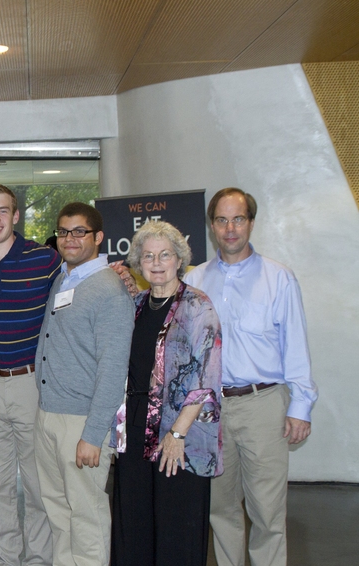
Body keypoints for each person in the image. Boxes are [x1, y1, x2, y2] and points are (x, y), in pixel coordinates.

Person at [184, 188, 317, 566]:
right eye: (222, 220)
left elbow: (296, 346)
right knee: (220, 510)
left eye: (238, 219)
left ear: (251, 223)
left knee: (267, 513)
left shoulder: (279, 279)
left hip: (263, 407)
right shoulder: (195, 281)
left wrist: (301, 407)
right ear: (212, 226)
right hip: (211, 412)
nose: (230, 228)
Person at [110, 220, 223, 566]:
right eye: (148, 256)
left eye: (165, 255)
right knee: (135, 522)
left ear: (179, 259)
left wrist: (177, 434)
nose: (156, 263)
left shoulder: (197, 306)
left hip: (180, 432)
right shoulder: (136, 305)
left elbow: (206, 378)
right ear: (139, 263)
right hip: (135, 429)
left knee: (177, 526)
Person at [0, 185, 59, 566]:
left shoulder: (45, 259)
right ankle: (4, 559)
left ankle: (38, 560)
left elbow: (75, 297)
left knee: (38, 485)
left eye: (3, 211)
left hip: (30, 383)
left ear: (16, 216)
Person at [33, 202, 133, 566]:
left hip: (81, 422)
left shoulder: (108, 289)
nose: (69, 239)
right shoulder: (64, 278)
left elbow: (113, 369)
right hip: (49, 416)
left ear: (99, 237)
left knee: (86, 516)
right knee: (59, 514)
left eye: (79, 232)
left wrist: (93, 434)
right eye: (63, 231)